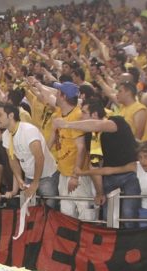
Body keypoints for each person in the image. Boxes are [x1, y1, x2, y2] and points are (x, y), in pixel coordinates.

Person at [55, 99, 141, 228]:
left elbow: (98, 125)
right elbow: (94, 165)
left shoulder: (117, 121)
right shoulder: (90, 136)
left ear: (94, 114)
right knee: (108, 218)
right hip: (108, 177)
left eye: (84, 113)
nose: (81, 116)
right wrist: (100, 192)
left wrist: (67, 124)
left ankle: (131, 239)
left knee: (128, 213)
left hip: (130, 174)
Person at [0, 103, 59, 208]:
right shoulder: (6, 135)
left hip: (47, 176)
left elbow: (39, 157)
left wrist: (35, 183)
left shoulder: (28, 130)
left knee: (50, 211)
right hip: (29, 177)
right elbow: (12, 159)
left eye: (0, 115)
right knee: (28, 211)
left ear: (11, 115)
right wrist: (19, 179)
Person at [51, 81, 94, 220]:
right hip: (63, 173)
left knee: (86, 214)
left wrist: (75, 176)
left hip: (77, 175)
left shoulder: (77, 115)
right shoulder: (59, 113)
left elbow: (81, 148)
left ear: (63, 96)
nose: (55, 94)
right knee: (66, 215)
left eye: (58, 92)